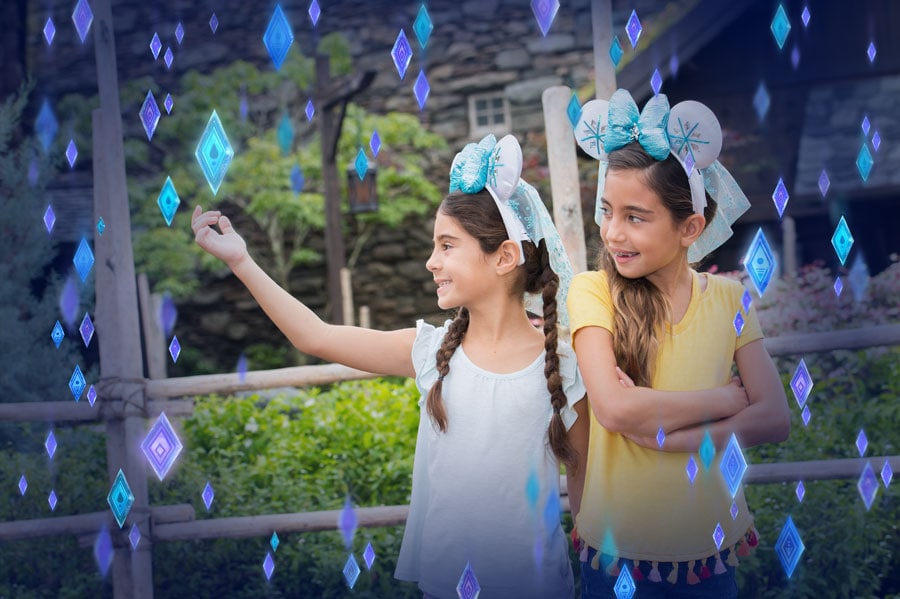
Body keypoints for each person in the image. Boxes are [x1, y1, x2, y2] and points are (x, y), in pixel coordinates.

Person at [192, 133, 588, 599]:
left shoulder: (562, 364)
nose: (430, 262)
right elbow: (314, 335)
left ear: (503, 256)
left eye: (447, 246)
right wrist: (242, 261)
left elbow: (583, 486)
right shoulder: (431, 351)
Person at [567, 89, 790, 598]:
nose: (612, 233)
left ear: (691, 227)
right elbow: (617, 411)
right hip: (616, 551)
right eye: (607, 211)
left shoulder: (730, 301)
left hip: (708, 553)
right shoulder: (592, 291)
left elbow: (775, 418)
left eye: (635, 217)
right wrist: (725, 402)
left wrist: (674, 435)